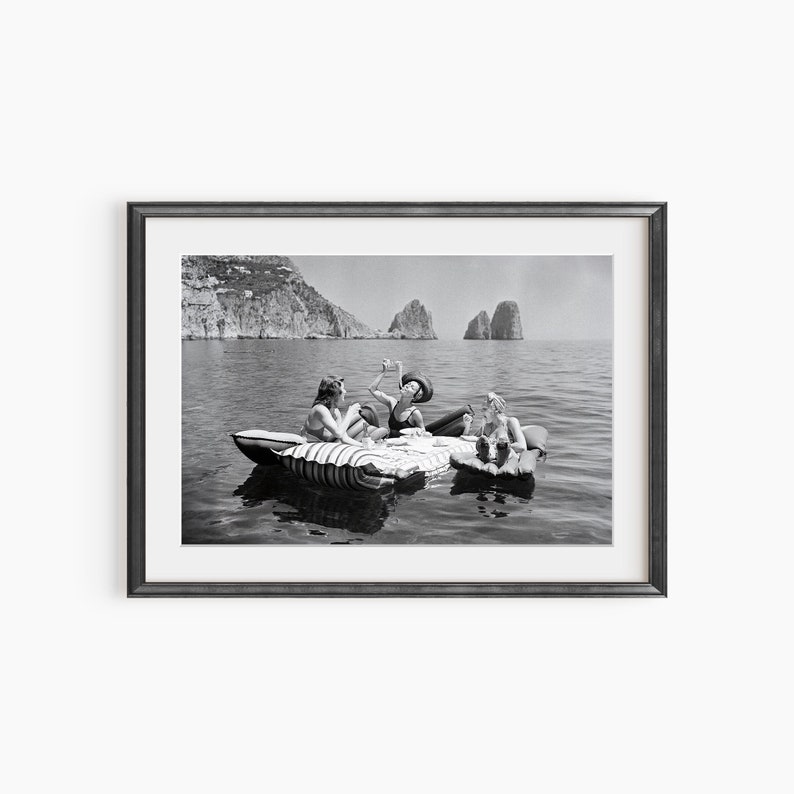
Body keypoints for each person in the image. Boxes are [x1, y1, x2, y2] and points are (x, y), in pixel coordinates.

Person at [301, 375, 386, 446]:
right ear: (335, 393)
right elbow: (338, 433)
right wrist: (350, 412)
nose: (345, 391)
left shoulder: (335, 411)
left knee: (365, 415)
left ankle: (374, 438)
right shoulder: (320, 409)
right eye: (343, 389)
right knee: (356, 419)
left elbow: (344, 438)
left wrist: (363, 446)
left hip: (325, 443)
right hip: (310, 446)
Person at [367, 359, 431, 438]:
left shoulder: (415, 413)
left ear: (415, 396)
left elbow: (423, 434)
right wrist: (384, 371)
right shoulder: (392, 403)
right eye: (408, 383)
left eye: (412, 387)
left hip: (406, 447)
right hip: (389, 444)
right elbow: (372, 389)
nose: (407, 385)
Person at [466, 392, 528, 468]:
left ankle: (500, 458)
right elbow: (472, 439)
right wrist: (467, 425)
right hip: (492, 456)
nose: (481, 411)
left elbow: (522, 447)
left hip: (509, 457)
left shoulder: (510, 422)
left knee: (506, 450)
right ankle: (487, 458)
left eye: (484, 409)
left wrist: (497, 446)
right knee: (484, 446)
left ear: (495, 410)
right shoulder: (486, 426)